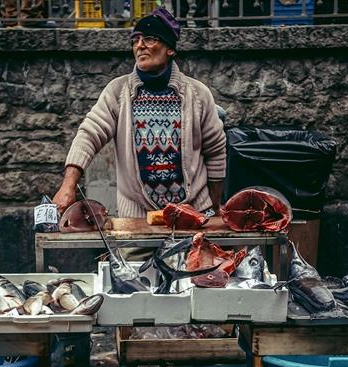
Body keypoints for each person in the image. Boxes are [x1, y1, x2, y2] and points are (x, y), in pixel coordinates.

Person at [52, 7, 226, 219]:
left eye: (150, 39)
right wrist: (68, 185)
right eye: (135, 40)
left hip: (193, 215)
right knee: (130, 254)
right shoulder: (118, 92)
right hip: (136, 218)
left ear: (170, 48)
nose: (140, 46)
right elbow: (89, 135)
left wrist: (215, 205)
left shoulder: (197, 94)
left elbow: (216, 150)